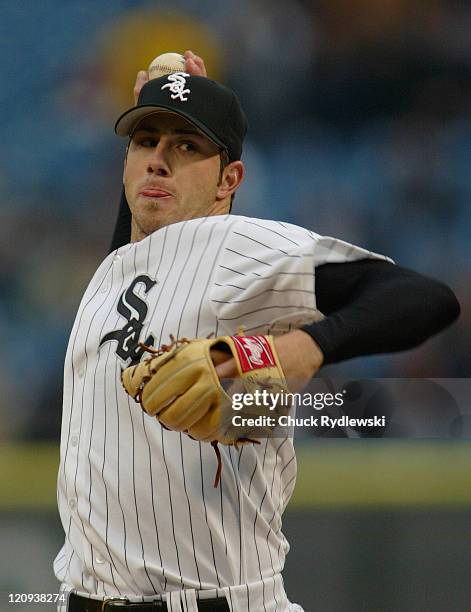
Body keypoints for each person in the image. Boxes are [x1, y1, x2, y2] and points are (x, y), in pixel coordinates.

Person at [54, 51, 460, 612]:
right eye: (145, 142)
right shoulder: (117, 269)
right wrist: (176, 99)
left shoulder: (235, 247)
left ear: (230, 181)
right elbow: (142, 250)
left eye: (187, 147)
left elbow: (423, 299)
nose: (157, 161)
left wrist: (295, 351)